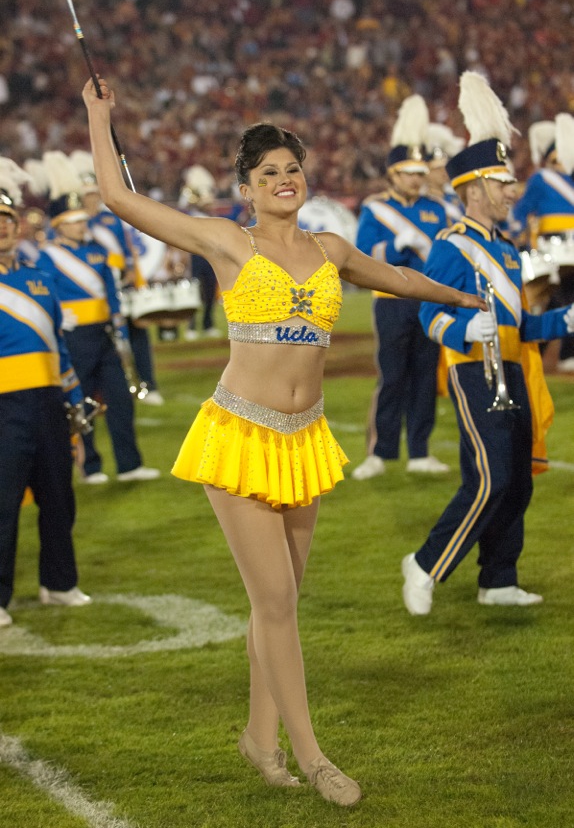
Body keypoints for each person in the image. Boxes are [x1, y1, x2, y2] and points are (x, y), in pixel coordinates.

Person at [83, 75, 484, 806]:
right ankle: (314, 756)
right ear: (247, 188)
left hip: (304, 439)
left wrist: (462, 298)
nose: (283, 180)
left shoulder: (331, 248)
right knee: (275, 602)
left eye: (292, 169)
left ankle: (258, 737)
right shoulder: (226, 243)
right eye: (268, 172)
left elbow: (393, 276)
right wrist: (96, 116)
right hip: (239, 435)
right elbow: (121, 200)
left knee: (283, 600)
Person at [403, 72, 574, 616]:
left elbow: (523, 327)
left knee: (518, 480)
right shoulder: (451, 245)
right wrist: (459, 330)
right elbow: (427, 313)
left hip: (514, 368)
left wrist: (567, 319)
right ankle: (426, 563)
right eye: (502, 182)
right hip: (472, 370)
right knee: (493, 477)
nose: (512, 191)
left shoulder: (506, 249)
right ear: (474, 188)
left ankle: (498, 578)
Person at [0, 158, 91, 627]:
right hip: (3, 407)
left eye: (6, 220)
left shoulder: (39, 279)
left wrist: (73, 398)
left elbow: (58, 344)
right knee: (3, 502)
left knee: (59, 494)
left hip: (48, 401)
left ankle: (58, 583)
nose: (2, 229)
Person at [37, 152, 160, 485]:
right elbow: (46, 297)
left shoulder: (96, 251)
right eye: (75, 220)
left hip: (103, 333)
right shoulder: (47, 257)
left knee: (120, 400)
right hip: (74, 337)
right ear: (61, 224)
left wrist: (118, 322)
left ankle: (129, 464)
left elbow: (110, 290)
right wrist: (61, 319)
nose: (82, 223)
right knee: (84, 401)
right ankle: (90, 467)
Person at [352, 95, 450, 480]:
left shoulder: (436, 208)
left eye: (419, 171)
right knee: (392, 376)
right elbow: (363, 253)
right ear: (393, 173)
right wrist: (396, 245)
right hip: (391, 301)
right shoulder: (375, 208)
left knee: (426, 376)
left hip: (426, 301)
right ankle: (380, 451)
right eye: (408, 171)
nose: (416, 177)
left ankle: (420, 451)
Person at [70, 150, 165, 405]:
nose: (91, 199)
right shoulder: (73, 225)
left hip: (120, 283)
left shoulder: (110, 219)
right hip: (95, 290)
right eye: (87, 195)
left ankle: (149, 385)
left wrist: (133, 271)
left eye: (93, 193)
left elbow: (127, 249)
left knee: (137, 333)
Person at [510, 115, 574, 367]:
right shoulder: (541, 179)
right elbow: (521, 211)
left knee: (566, 297)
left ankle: (567, 353)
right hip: (552, 249)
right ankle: (538, 350)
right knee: (552, 298)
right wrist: (517, 233)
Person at [179, 165, 222, 342]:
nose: (210, 206)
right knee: (194, 294)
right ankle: (191, 326)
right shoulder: (191, 215)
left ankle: (208, 324)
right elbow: (183, 206)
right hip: (195, 256)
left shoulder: (212, 219)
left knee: (210, 292)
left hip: (210, 257)